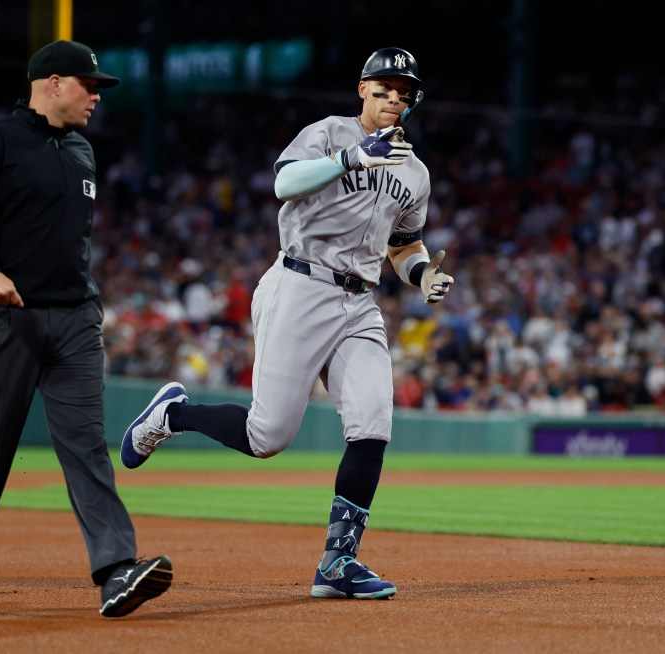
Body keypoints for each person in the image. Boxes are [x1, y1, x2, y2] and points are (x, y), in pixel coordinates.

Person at [121, 47, 454, 600]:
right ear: (362, 89)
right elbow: (284, 184)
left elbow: (404, 244)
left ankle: (338, 562)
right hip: (301, 283)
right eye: (384, 86)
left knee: (372, 424)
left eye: (404, 90)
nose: (394, 96)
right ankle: (172, 415)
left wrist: (421, 277)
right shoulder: (327, 133)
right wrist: (352, 158)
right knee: (267, 436)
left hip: (359, 301)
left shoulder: (415, 173)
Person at [0, 40, 172, 618]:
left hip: (74, 322)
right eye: (89, 85)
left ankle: (116, 572)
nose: (96, 96)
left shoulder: (83, 151)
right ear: (54, 83)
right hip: (4, 317)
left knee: (88, 447)